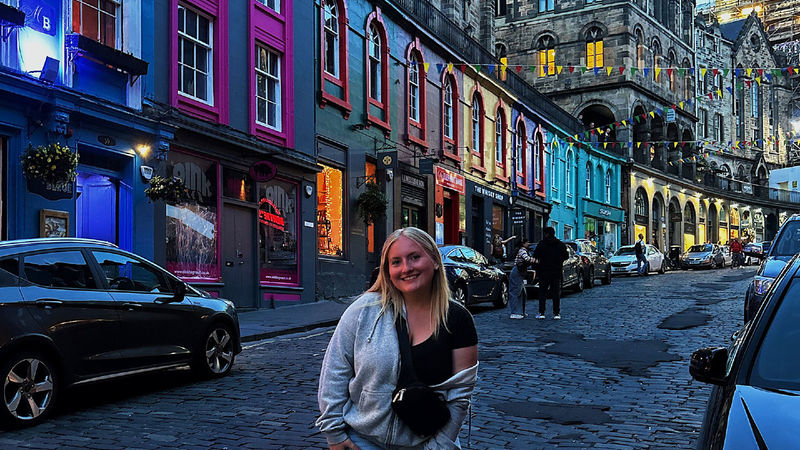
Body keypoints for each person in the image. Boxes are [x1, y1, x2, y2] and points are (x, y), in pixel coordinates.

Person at [316, 227, 478, 449]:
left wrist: (441, 445)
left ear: (435, 261)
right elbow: (335, 371)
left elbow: (460, 395)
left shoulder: (458, 319)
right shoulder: (363, 310)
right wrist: (335, 433)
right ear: (387, 269)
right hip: (363, 439)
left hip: (427, 442)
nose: (406, 268)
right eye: (396, 262)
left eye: (414, 257)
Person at [532, 227, 569, 320]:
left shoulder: (542, 244)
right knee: (556, 293)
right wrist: (558, 261)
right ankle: (556, 313)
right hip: (556, 271)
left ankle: (541, 312)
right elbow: (566, 256)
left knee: (542, 293)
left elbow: (535, 255)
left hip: (544, 271)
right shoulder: (560, 244)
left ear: (546, 233)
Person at [508, 238, 534, 320]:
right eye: (528, 242)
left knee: (522, 293)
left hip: (519, 272)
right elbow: (527, 259)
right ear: (523, 244)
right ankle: (514, 312)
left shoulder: (523, 250)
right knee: (515, 292)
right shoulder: (522, 251)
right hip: (517, 272)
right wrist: (536, 260)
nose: (529, 243)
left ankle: (520, 311)